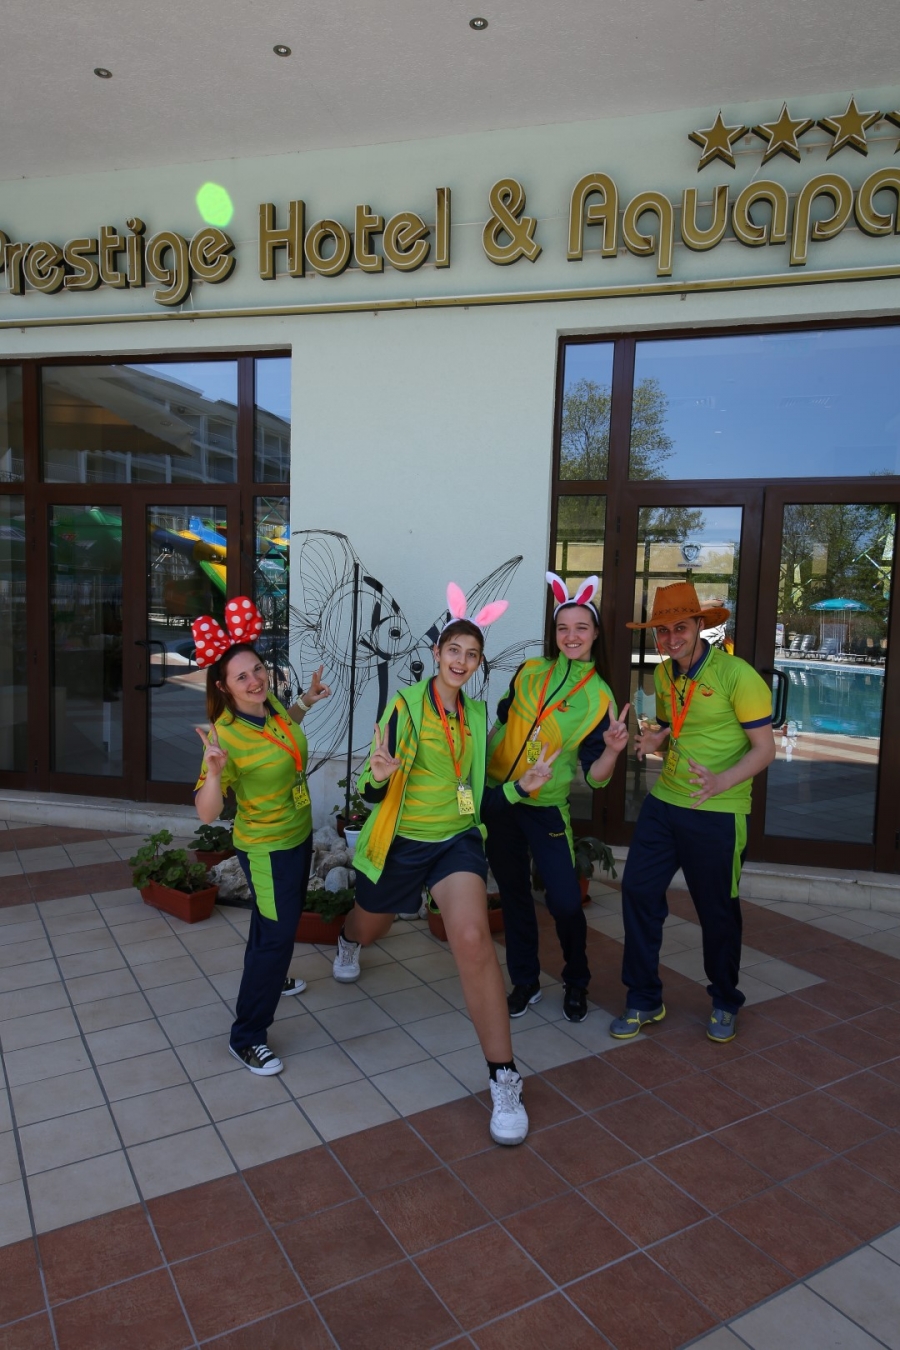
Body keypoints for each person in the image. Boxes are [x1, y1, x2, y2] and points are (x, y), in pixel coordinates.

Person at [332, 584, 556, 1145]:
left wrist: (523, 787)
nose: (461, 661)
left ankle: (504, 1077)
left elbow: (477, 796)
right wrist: (376, 779)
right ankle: (348, 939)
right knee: (372, 924)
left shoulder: (476, 715)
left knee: (474, 940)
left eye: (472, 654)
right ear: (437, 653)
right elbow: (370, 787)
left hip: (456, 841)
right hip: (402, 841)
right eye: (453, 650)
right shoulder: (405, 706)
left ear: (478, 664)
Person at [611, 581, 776, 1044]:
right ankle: (644, 997)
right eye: (662, 631)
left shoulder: (737, 675)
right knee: (638, 891)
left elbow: (765, 749)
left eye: (680, 628)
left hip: (718, 809)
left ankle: (725, 1000)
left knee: (716, 910)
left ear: (699, 625)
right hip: (665, 803)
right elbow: (674, 726)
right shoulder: (665, 674)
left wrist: (722, 781)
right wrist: (657, 738)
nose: (671, 639)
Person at [482, 573, 629, 1024]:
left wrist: (612, 750)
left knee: (565, 901)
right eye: (563, 628)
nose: (571, 636)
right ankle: (525, 982)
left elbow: (597, 778)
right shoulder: (529, 671)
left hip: (545, 807)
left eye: (581, 627)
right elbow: (501, 722)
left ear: (596, 634)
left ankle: (576, 980)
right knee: (514, 896)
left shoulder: (599, 697)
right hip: (503, 799)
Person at [193, 597, 331, 1076]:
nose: (255, 680)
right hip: (267, 848)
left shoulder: (268, 705)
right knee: (278, 934)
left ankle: (273, 978)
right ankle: (247, 1036)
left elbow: (283, 731)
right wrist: (214, 774)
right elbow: (207, 812)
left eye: (257, 669)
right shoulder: (224, 738)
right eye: (242, 677)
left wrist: (305, 703)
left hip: (297, 834)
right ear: (223, 687)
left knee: (273, 924)